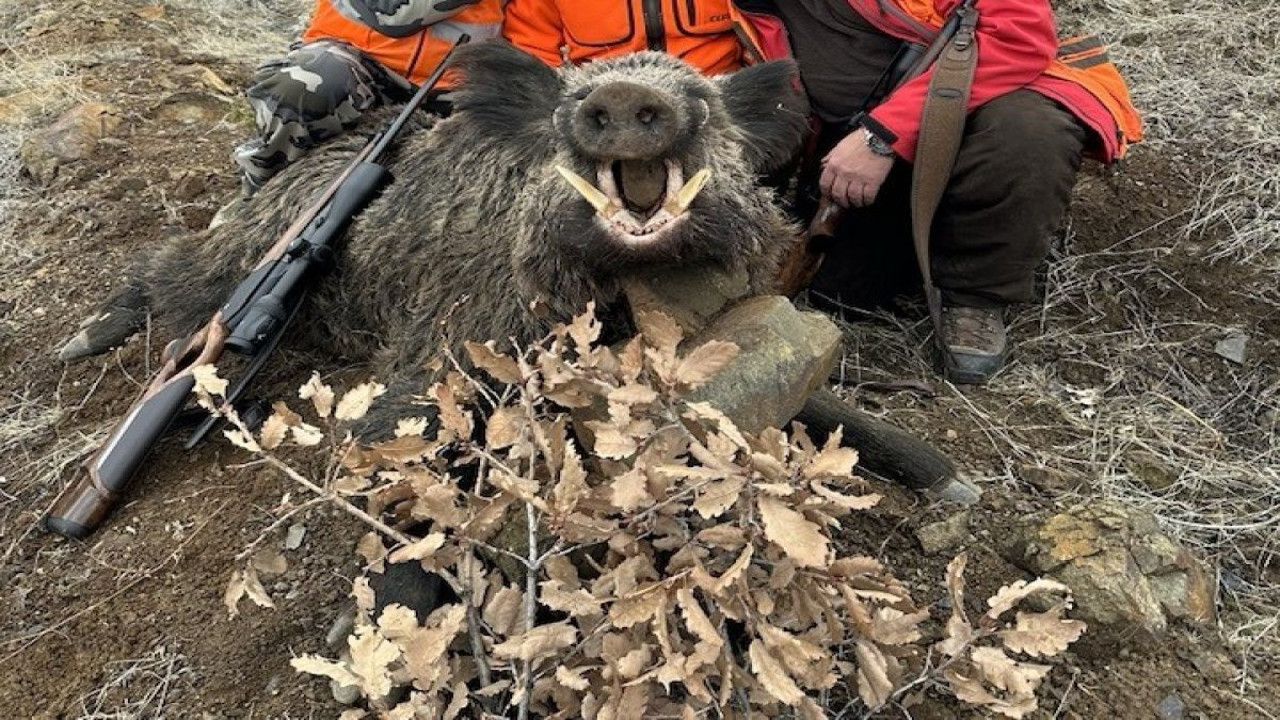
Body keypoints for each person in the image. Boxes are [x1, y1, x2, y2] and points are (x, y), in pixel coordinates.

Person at [739, 0, 1141, 383]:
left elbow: (1020, 38)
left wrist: (883, 137)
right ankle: (936, 235)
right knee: (843, 295)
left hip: (986, 99)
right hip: (846, 135)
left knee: (1028, 134)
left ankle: (977, 296)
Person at [232, 0, 505, 195]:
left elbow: (532, 43)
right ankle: (260, 192)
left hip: (452, 87)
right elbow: (394, 13)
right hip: (353, 59)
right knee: (303, 85)